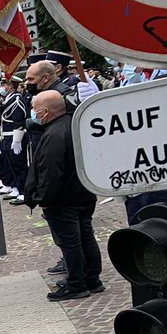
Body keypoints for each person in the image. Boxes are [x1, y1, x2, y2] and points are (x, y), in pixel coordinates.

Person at [24, 92, 104, 301]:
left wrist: (43, 198)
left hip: (63, 199)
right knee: (85, 237)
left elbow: (51, 171)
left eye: (36, 109)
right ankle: (92, 279)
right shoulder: (74, 125)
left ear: (46, 112)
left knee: (71, 243)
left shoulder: (54, 134)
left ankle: (77, 284)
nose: (34, 113)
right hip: (83, 193)